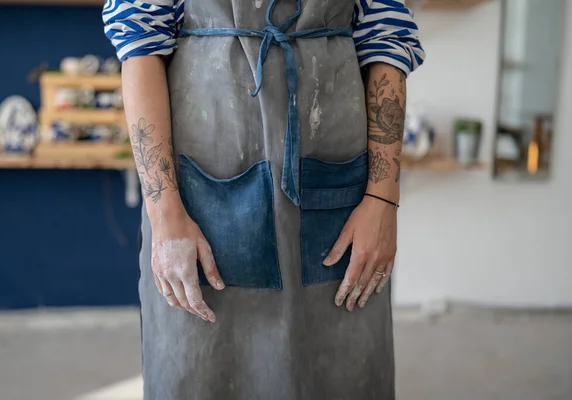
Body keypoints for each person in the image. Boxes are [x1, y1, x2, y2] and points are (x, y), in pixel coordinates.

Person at [103, 0, 425, 398]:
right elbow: (139, 42)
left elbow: (386, 38)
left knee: (341, 368)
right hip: (200, 186)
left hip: (338, 184)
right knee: (203, 370)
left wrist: (382, 197)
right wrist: (165, 214)